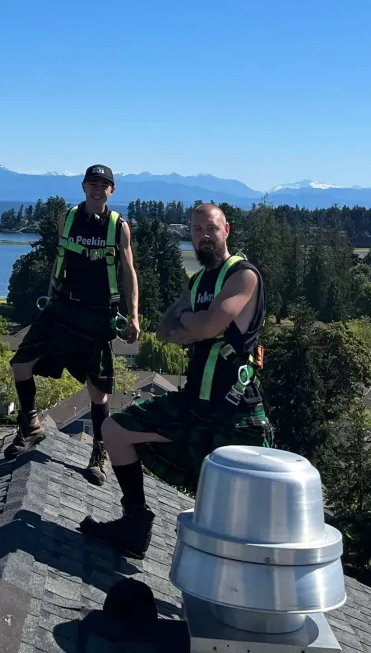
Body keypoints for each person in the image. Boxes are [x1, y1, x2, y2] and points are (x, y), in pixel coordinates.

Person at [80, 202, 271, 558]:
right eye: (196, 231)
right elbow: (166, 330)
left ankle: (241, 576)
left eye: (211, 229)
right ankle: (134, 522)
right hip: (193, 404)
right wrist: (190, 324)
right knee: (115, 430)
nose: (203, 237)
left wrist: (191, 323)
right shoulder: (198, 280)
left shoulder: (243, 275)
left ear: (226, 230)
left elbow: (205, 326)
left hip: (233, 411)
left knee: (231, 508)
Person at [6, 164, 139, 486]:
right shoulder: (69, 218)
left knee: (97, 390)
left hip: (96, 314)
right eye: (92, 183)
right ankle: (30, 425)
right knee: (20, 364)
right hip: (61, 308)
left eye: (103, 184)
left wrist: (134, 315)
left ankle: (99, 452)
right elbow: (60, 256)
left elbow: (128, 271)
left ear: (112, 190)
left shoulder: (118, 226)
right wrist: (50, 293)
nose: (97, 189)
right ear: (83, 187)